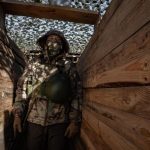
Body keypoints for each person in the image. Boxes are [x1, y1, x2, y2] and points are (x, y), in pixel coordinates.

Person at [12, 30, 82, 150]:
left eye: (57, 41)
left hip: (59, 123)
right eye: (50, 40)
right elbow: (23, 90)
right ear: (44, 43)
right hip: (34, 121)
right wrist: (17, 115)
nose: (53, 43)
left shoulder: (68, 66)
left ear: (62, 46)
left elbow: (76, 94)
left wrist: (74, 122)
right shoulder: (35, 65)